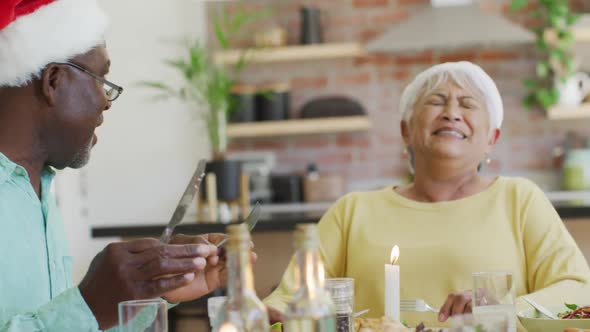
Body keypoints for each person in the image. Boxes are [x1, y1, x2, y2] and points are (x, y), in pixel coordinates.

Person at [264, 61, 590, 328]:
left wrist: (500, 308)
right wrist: (264, 317)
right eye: (436, 101)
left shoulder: (520, 200)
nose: (451, 112)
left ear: (492, 137)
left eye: (467, 103)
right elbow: (289, 300)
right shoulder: (352, 211)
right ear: (406, 130)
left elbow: (579, 290)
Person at [0, 0, 228, 330]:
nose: (107, 100)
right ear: (53, 81)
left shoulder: (38, 191)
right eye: (101, 79)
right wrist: (88, 305)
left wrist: (153, 290)